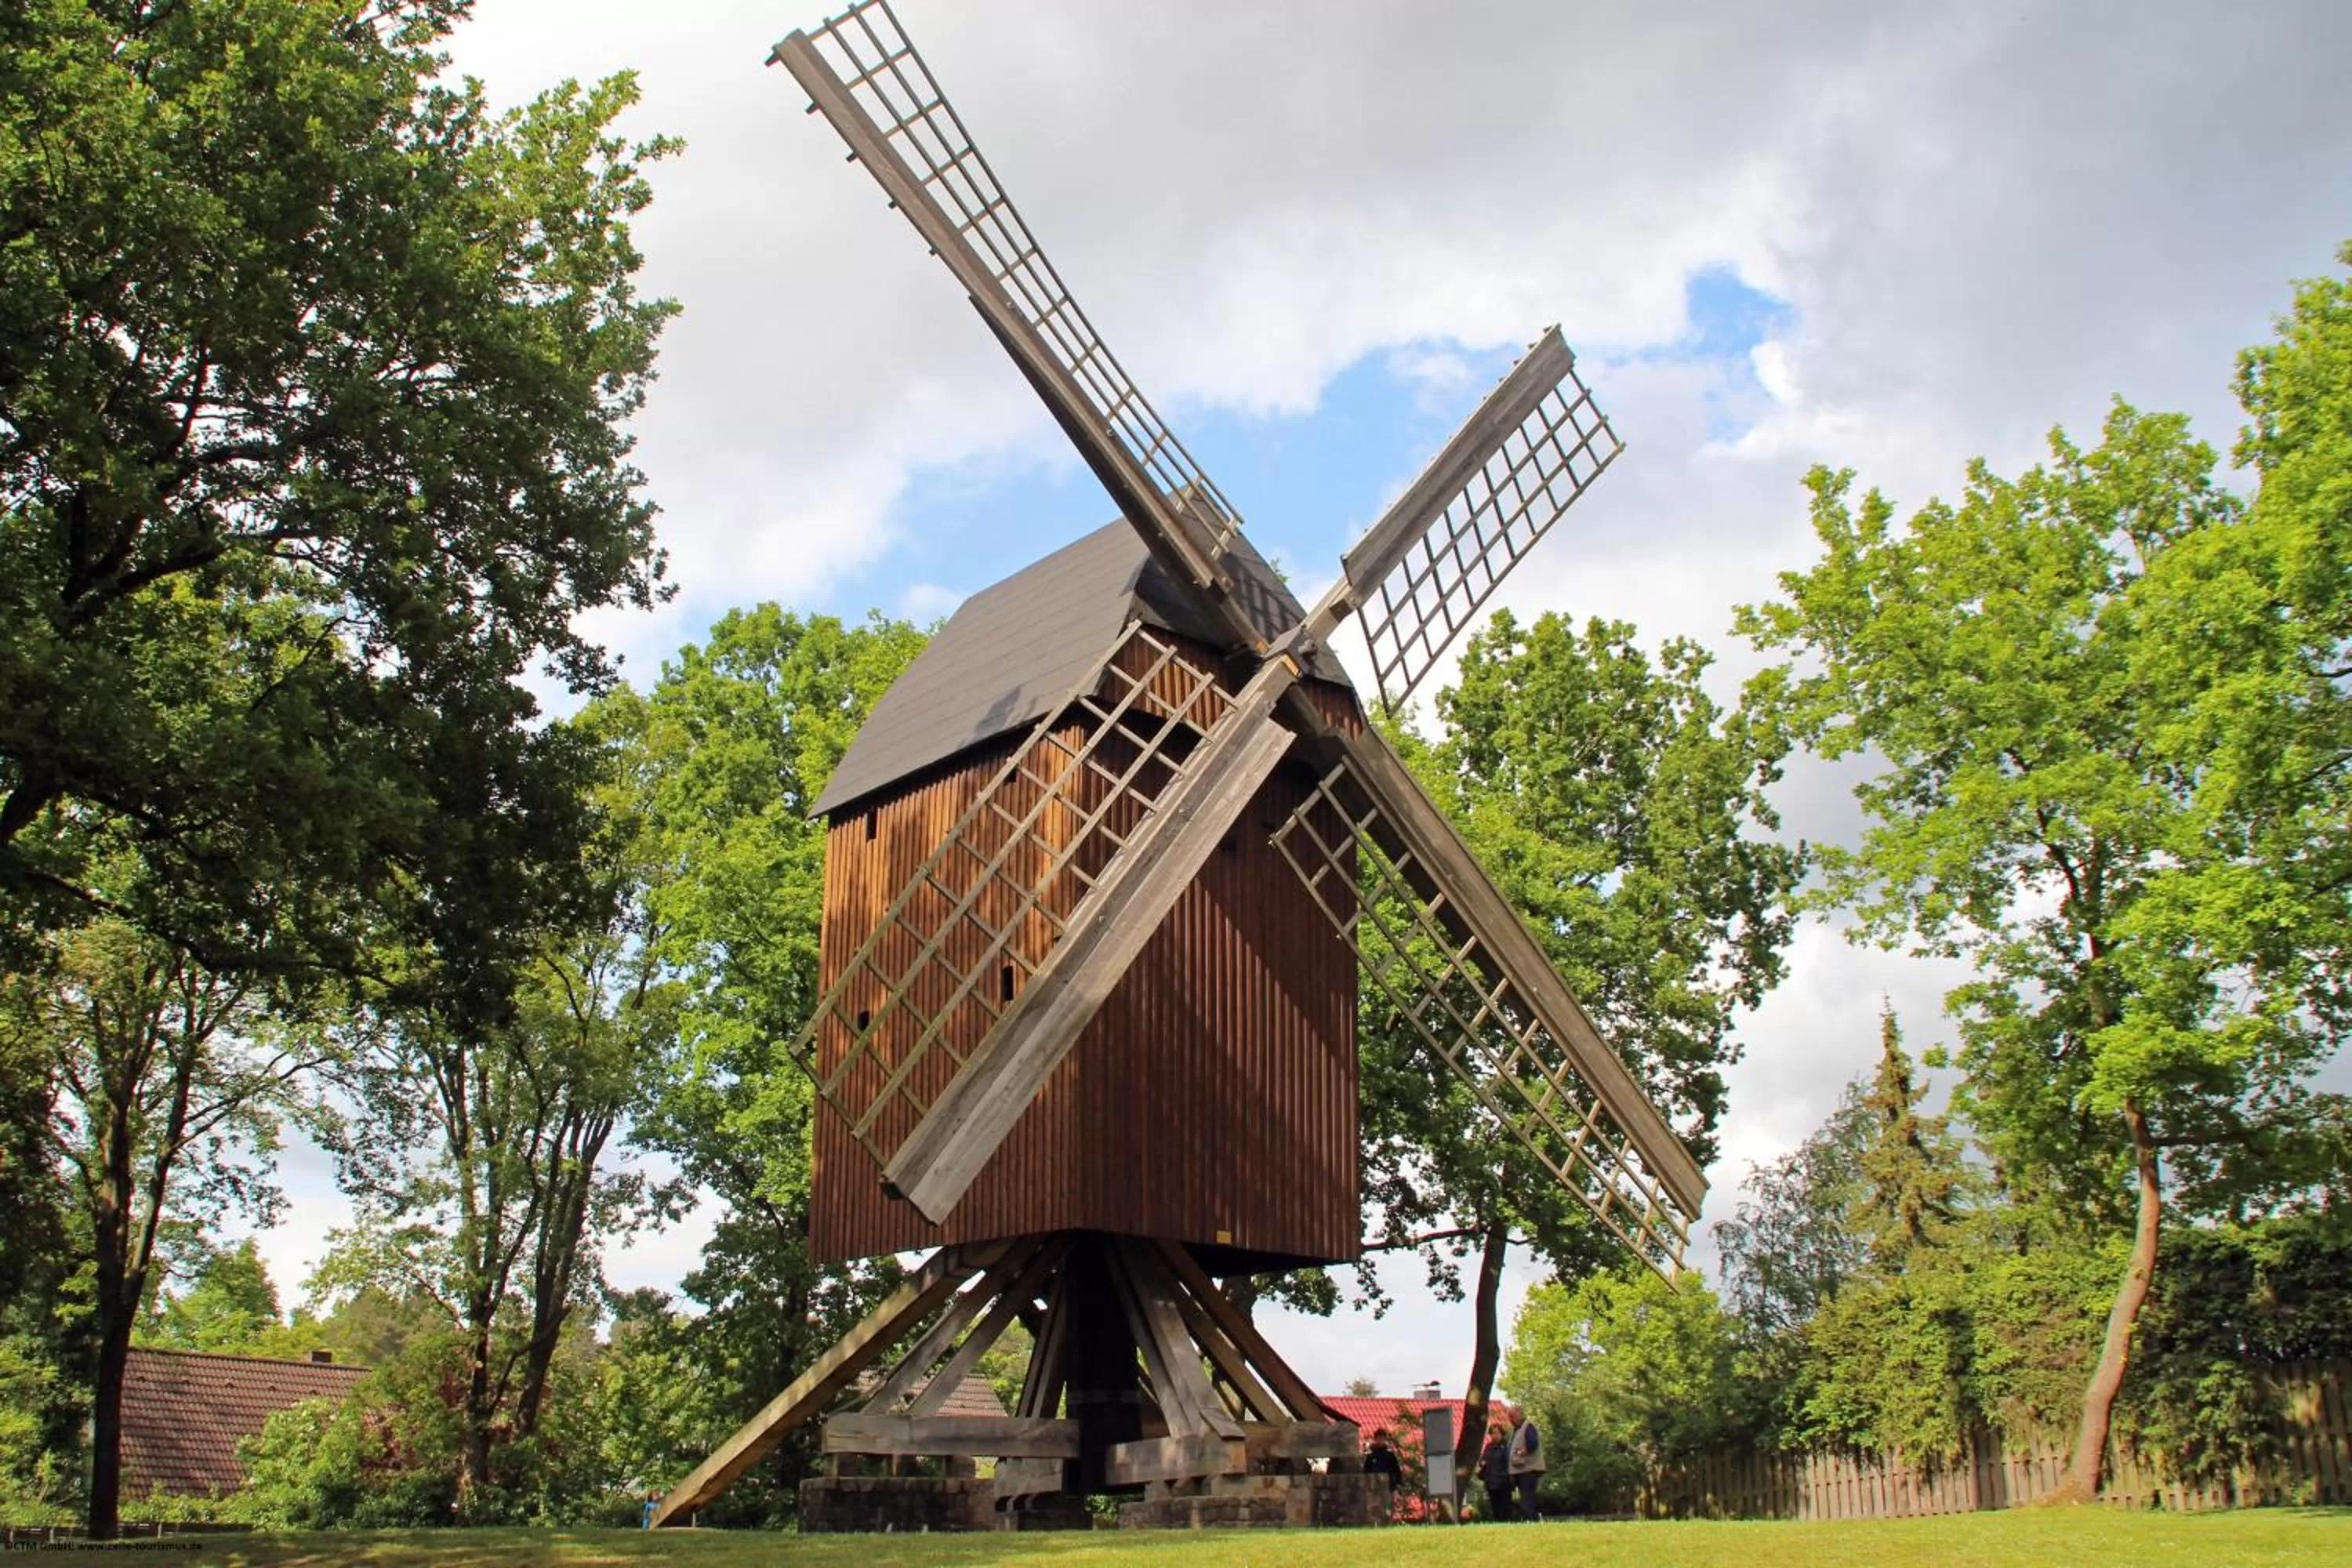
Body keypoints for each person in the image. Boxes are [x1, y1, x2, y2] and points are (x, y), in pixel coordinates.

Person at [1508, 1412, 1546, 1521]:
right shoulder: (1516, 1430)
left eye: (1512, 1417)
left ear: (1519, 1416)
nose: (1510, 1420)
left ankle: (1531, 1519)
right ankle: (1530, 1518)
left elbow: (1533, 1443)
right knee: (1525, 1497)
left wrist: (1521, 1452)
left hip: (1528, 1469)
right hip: (1521, 1470)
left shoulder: (1528, 1426)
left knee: (1527, 1497)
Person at [1479, 1425, 1514, 1523]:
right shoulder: (1488, 1447)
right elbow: (1482, 1460)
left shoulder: (1506, 1448)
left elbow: (1509, 1464)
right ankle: (1498, 1522)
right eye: (1493, 1433)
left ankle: (1507, 1522)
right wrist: (1482, 1463)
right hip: (1491, 1482)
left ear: (1502, 1434)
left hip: (1503, 1483)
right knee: (1495, 1507)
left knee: (1505, 1507)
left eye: (1497, 1433)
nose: (1495, 1436)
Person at [1363, 1430, 1403, 1515]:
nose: (1380, 1440)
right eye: (1379, 1438)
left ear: (1385, 1439)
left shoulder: (1390, 1456)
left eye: (1382, 1438)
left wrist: (1397, 1486)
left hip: (1389, 1487)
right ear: (1375, 1439)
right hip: (1374, 1487)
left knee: (1387, 1509)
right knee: (1375, 1509)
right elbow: (1366, 1473)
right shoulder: (1371, 1457)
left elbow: (1397, 1471)